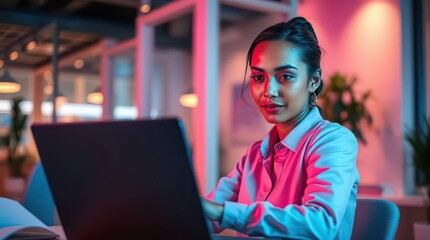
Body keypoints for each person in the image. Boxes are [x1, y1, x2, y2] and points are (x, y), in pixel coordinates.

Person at [201, 17, 360, 239]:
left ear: (313, 81)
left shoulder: (334, 141)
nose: (269, 91)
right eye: (258, 77)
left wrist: (221, 212)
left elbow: (320, 224)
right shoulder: (255, 156)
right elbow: (204, 219)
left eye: (285, 76)